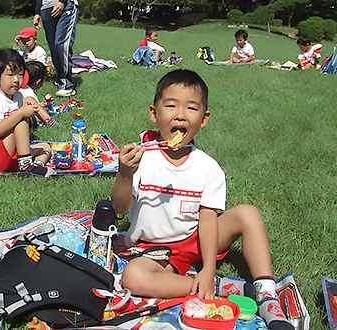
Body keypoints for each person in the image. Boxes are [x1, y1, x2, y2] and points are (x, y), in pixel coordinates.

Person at [110, 70, 294, 330]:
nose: (180, 114)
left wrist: (208, 266)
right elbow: (119, 207)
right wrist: (124, 172)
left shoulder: (207, 168)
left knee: (248, 214)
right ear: (154, 113)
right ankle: (222, 290)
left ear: (204, 119)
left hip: (196, 237)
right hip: (153, 250)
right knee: (133, 277)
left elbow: (208, 219)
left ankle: (266, 293)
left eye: (191, 108)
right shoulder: (143, 158)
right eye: (171, 105)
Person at [0, 48, 53, 177]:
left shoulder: (18, 96)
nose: (16, 80)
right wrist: (21, 113)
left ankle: (35, 166)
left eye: (20, 74)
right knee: (21, 119)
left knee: (45, 147)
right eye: (10, 75)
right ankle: (27, 165)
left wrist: (39, 107)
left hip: (10, 152)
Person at [33, 0, 78, 97]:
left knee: (61, 44)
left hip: (65, 5)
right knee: (53, 46)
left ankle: (67, 84)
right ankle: (60, 77)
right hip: (46, 7)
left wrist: (62, 1)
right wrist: (37, 11)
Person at [21, 60, 63, 127]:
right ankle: (52, 123)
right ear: (38, 81)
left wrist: (43, 104)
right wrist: (44, 110)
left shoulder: (22, 88)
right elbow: (36, 112)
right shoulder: (29, 93)